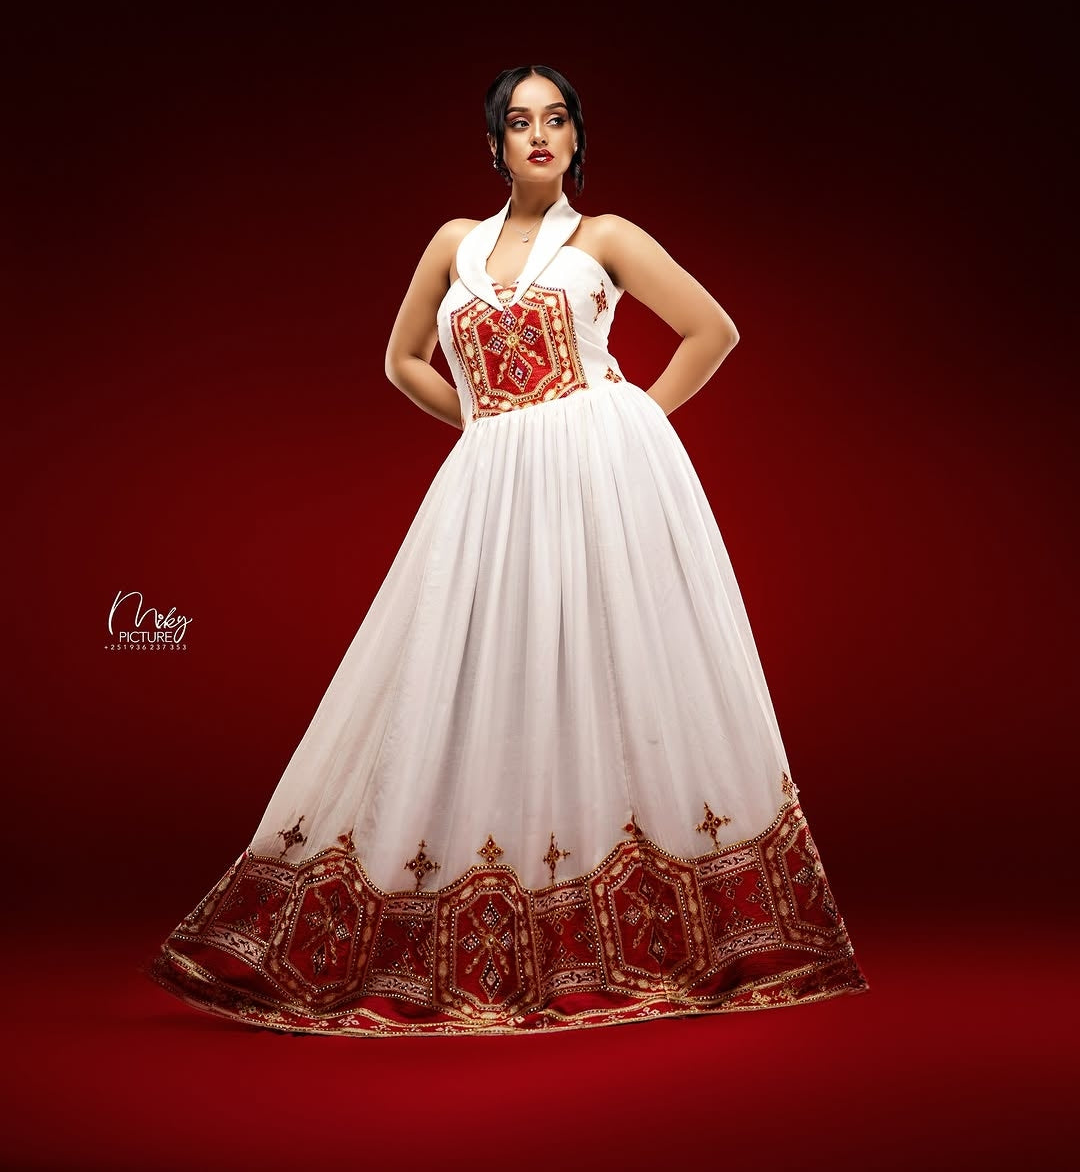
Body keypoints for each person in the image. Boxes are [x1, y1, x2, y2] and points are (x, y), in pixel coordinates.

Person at [145, 64, 868, 1036]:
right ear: (493, 142)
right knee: (483, 679)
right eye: (519, 120)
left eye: (556, 118)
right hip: (489, 487)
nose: (539, 134)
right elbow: (402, 357)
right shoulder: (454, 244)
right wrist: (488, 424)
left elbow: (713, 330)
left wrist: (621, 425)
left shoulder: (605, 239)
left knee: (603, 676)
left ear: (576, 138)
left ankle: (635, 933)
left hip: (598, 484)